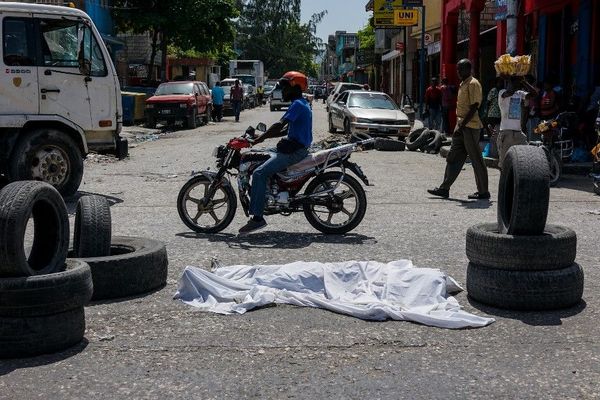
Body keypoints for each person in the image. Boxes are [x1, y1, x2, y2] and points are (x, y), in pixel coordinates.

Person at [238, 71, 312, 235]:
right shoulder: (301, 103)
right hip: (294, 147)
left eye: (285, 87)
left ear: (295, 86)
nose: (282, 91)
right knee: (258, 157)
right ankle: (267, 193)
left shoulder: (298, 105)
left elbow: (279, 125)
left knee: (259, 173)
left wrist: (259, 139)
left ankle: (257, 218)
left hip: (295, 151)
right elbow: (286, 130)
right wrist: (261, 137)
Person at [428, 59, 489, 200]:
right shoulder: (463, 84)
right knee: (453, 157)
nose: (458, 72)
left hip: (470, 127)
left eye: (460, 69)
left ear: (468, 69)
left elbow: (474, 106)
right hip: (461, 125)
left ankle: (483, 191)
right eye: (457, 69)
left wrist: (462, 125)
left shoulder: (473, 83)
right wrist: (459, 126)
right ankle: (444, 188)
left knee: (476, 159)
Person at [496, 76, 538, 168]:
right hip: (506, 133)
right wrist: (511, 78)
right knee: (504, 164)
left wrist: (524, 82)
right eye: (515, 82)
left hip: (518, 133)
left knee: (525, 159)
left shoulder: (520, 93)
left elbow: (534, 94)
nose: (517, 84)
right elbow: (510, 92)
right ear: (509, 82)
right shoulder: (502, 93)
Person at [484, 77, 504, 158]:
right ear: (497, 83)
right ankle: (492, 151)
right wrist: (486, 113)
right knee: (492, 133)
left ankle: (496, 151)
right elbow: (488, 102)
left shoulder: (503, 91)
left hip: (500, 115)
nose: (501, 84)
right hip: (492, 114)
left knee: (498, 134)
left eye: (502, 82)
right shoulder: (494, 90)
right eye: (500, 82)